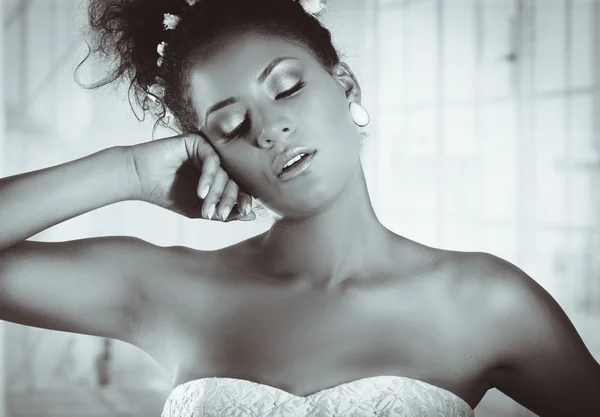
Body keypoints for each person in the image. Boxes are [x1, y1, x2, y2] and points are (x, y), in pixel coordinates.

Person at [0, 0, 598, 415]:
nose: (270, 128)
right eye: (230, 125)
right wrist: (126, 170)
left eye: (286, 88)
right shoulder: (163, 287)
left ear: (346, 88)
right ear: (209, 152)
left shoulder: (486, 300)